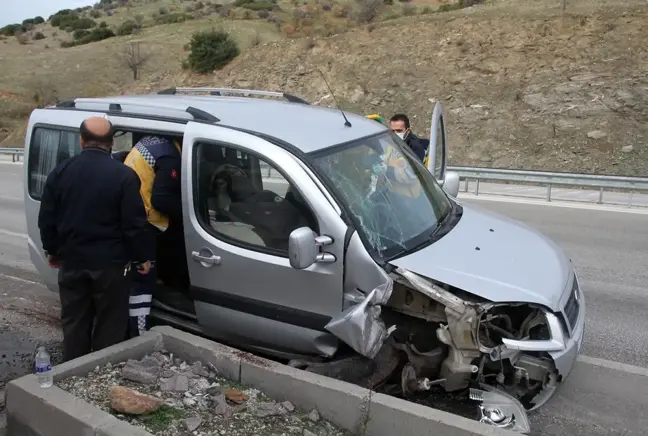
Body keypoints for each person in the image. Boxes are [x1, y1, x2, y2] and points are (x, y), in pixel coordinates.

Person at [38, 116, 154, 362]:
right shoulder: (124, 176)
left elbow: (47, 219)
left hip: (72, 262)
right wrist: (143, 257)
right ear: (112, 142)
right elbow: (134, 225)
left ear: (81, 141)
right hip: (111, 266)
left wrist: (52, 250)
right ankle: (101, 370)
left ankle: (72, 370)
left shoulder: (60, 172)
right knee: (110, 322)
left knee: (74, 320)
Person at [123, 135, 186, 338]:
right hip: (145, 221)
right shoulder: (170, 156)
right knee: (143, 281)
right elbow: (161, 200)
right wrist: (188, 213)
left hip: (130, 212)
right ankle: (139, 333)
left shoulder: (153, 142)